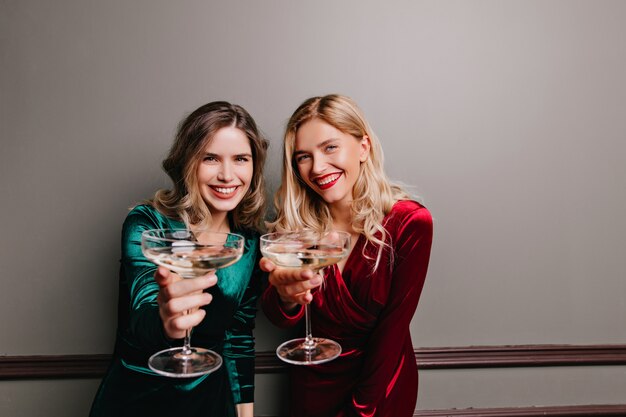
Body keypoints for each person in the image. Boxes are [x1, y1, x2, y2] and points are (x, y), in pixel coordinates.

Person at [90, 101, 268, 417]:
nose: (227, 175)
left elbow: (237, 337)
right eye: (210, 158)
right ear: (188, 162)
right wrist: (166, 319)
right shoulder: (148, 223)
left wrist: (246, 413)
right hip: (138, 401)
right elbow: (143, 309)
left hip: (213, 403)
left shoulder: (248, 242)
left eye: (241, 159)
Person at [260, 94, 433, 417]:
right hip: (312, 382)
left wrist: (361, 410)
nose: (317, 167)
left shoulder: (409, 223)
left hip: (380, 385)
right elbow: (277, 315)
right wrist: (287, 297)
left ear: (363, 147)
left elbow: (392, 332)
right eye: (303, 157)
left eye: (329, 147)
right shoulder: (296, 225)